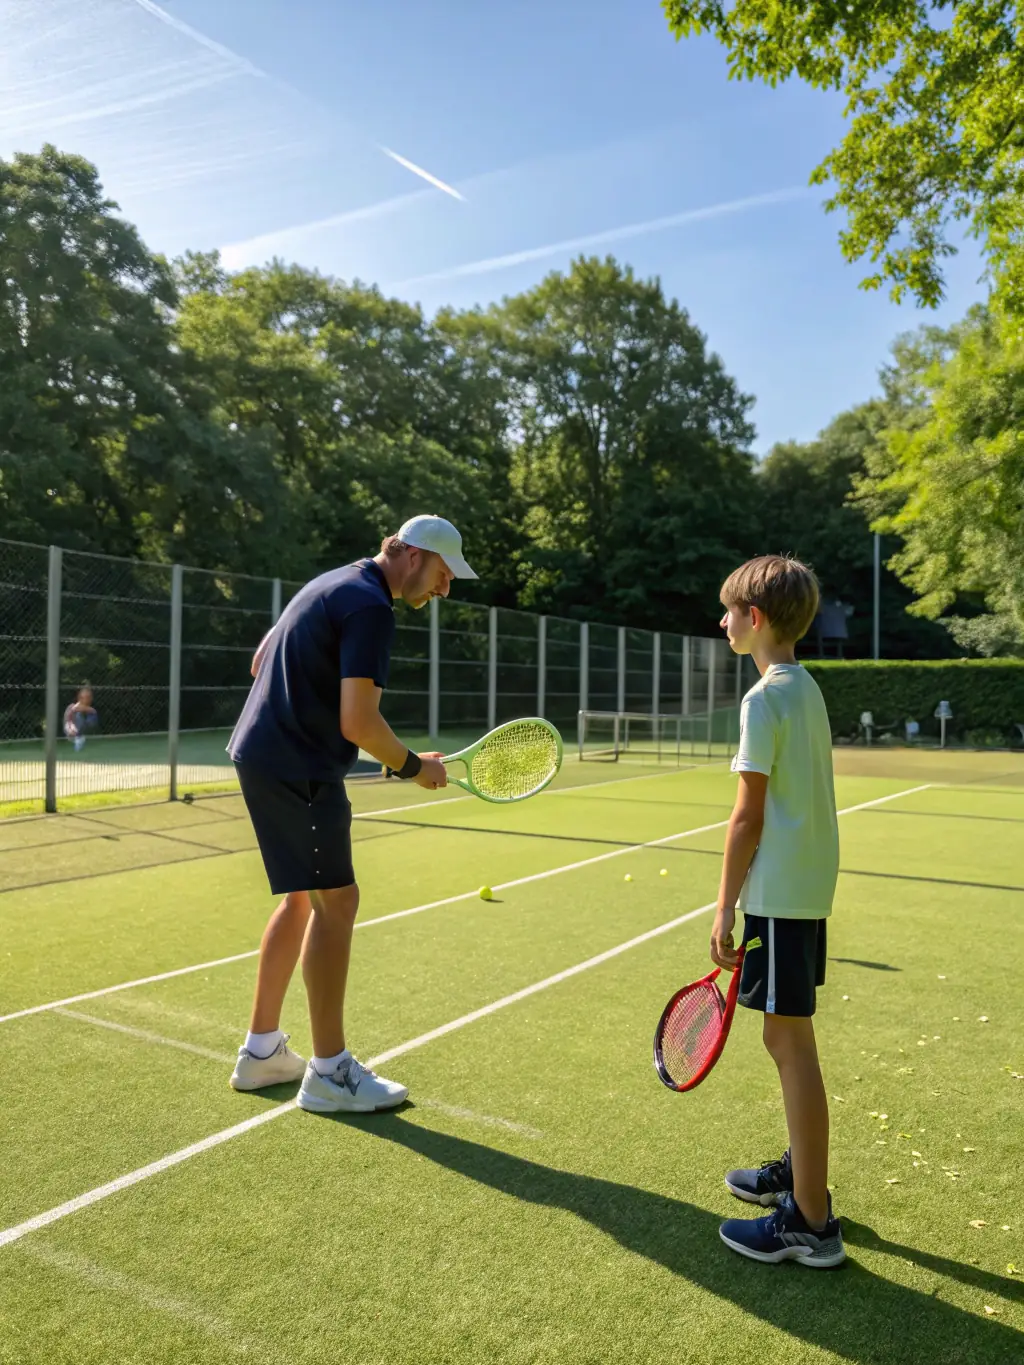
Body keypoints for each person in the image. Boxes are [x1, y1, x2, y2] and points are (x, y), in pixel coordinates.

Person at [226, 515, 477, 1114]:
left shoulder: (334, 582)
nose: (444, 590)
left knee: (301, 899)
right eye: (443, 574)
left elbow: (263, 657)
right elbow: (358, 723)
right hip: (298, 767)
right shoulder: (371, 607)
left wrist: (408, 758)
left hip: (260, 754)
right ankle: (330, 1073)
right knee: (337, 902)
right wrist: (415, 767)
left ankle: (262, 1054)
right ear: (414, 556)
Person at [711, 555, 845, 1268]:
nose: (722, 621)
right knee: (789, 1041)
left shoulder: (762, 699)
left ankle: (811, 1221)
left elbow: (745, 818)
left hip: (780, 897)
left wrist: (723, 907)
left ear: (754, 620)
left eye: (729, 611)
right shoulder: (807, 688)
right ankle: (804, 1178)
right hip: (804, 890)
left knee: (790, 1045)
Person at [63, 686, 98, 752]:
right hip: (71, 730)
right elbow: (72, 713)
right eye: (85, 697)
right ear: (80, 698)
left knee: (92, 715)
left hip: (81, 730)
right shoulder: (75, 707)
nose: (88, 699)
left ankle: (81, 738)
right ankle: (78, 739)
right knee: (78, 713)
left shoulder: (90, 711)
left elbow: (93, 713)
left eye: (89, 697)